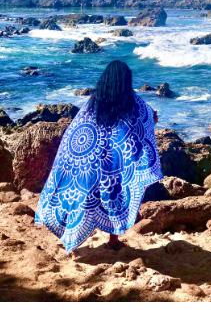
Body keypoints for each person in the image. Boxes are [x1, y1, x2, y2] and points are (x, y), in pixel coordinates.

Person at [35, 60, 163, 254]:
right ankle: (113, 240)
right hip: (115, 161)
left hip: (92, 160)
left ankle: (69, 234)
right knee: (115, 194)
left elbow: (77, 129)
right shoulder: (133, 101)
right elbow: (148, 119)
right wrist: (153, 120)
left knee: (80, 195)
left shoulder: (95, 100)